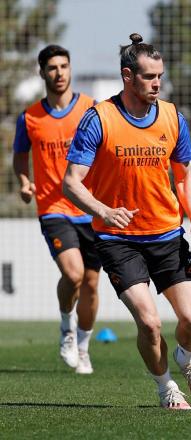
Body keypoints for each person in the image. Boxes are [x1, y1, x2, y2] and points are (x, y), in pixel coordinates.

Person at [62, 33, 191, 410]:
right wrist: (102, 210)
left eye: (160, 75)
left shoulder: (172, 116)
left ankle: (186, 359)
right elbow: (71, 183)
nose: (157, 83)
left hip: (166, 234)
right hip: (118, 239)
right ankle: (166, 388)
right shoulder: (99, 119)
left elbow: (183, 175)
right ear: (127, 76)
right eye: (149, 77)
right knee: (149, 323)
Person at [12, 45, 100, 374]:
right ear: (42, 73)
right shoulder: (30, 117)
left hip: (91, 209)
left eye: (64, 66)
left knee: (91, 283)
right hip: (53, 207)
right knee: (73, 274)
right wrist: (24, 181)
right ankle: (66, 326)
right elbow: (20, 155)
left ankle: (83, 344)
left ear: (71, 69)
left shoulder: (93, 110)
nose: (59, 73)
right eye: (52, 67)